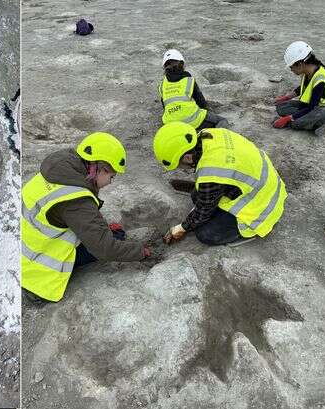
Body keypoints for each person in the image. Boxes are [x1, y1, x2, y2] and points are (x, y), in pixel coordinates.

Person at [21, 132, 151, 302]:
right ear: (102, 169)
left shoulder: (61, 169)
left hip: (21, 245)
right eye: (112, 176)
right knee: (115, 238)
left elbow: (75, 215)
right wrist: (140, 252)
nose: (110, 182)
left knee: (109, 234)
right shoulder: (77, 200)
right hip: (36, 271)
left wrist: (101, 227)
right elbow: (106, 249)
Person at [153, 122, 287, 246]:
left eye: (179, 165)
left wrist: (182, 227)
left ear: (187, 158)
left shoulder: (211, 172)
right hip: (261, 182)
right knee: (197, 195)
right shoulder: (210, 134)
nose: (181, 168)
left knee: (205, 234)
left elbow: (203, 212)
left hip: (261, 206)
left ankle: (247, 233)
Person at [159, 49, 229, 130]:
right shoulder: (189, 80)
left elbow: (165, 106)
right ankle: (209, 137)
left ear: (164, 67)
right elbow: (200, 101)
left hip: (171, 124)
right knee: (222, 121)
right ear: (182, 64)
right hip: (192, 120)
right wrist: (208, 112)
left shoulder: (162, 85)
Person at [273, 41, 325, 132]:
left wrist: (288, 118)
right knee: (281, 107)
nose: (291, 70)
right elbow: (302, 89)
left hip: (323, 109)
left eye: (291, 67)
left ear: (300, 64)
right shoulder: (308, 72)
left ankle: (319, 124)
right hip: (308, 106)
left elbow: (312, 107)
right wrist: (285, 98)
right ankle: (306, 119)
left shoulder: (320, 79)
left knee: (296, 123)